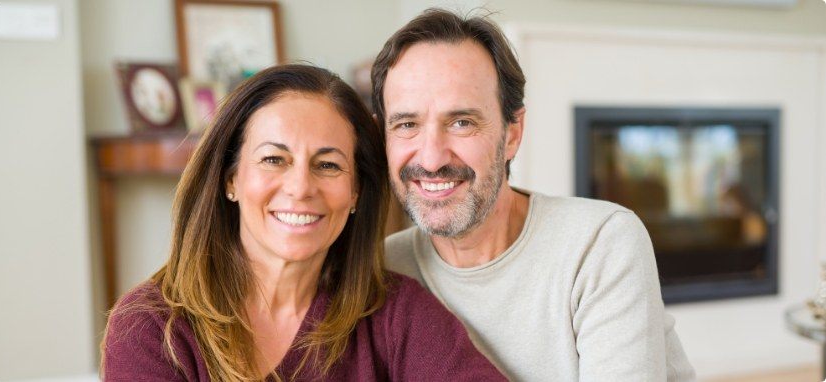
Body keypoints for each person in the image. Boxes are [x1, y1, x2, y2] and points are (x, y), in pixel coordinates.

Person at [101, 64, 506, 382]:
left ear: (356, 193)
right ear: (231, 179)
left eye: (328, 165)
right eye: (274, 159)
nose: (300, 187)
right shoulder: (151, 328)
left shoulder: (396, 313)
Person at [373, 9, 697, 381]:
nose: (431, 158)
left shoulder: (599, 243)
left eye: (462, 122)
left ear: (512, 133)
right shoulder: (383, 270)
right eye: (407, 125)